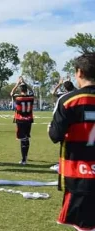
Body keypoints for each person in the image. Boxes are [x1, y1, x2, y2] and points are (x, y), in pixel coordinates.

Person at [48, 52, 95, 231]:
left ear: (80, 72)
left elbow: (55, 135)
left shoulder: (68, 101)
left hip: (79, 174)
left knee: (84, 226)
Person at [50, 77, 77, 172]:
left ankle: (63, 162)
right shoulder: (76, 93)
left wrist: (59, 84)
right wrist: (69, 81)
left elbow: (53, 92)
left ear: (65, 88)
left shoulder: (62, 95)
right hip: (75, 120)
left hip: (63, 120)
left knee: (63, 141)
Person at [10, 77, 34, 165]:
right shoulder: (31, 97)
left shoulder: (18, 97)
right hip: (29, 120)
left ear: (20, 90)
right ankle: (25, 156)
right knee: (26, 138)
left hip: (20, 120)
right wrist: (25, 83)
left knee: (23, 140)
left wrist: (17, 83)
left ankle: (24, 160)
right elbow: (32, 91)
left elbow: (11, 93)